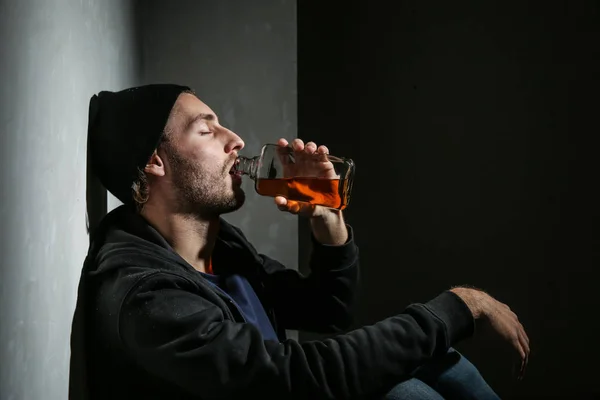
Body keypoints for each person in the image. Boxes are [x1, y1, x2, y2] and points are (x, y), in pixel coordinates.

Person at [69, 84, 530, 400]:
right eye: (207, 130)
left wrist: (328, 220)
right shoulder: (147, 297)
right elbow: (296, 379)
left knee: (435, 357)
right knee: (402, 390)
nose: (236, 140)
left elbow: (328, 311)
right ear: (155, 161)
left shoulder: (219, 249)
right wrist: (458, 306)